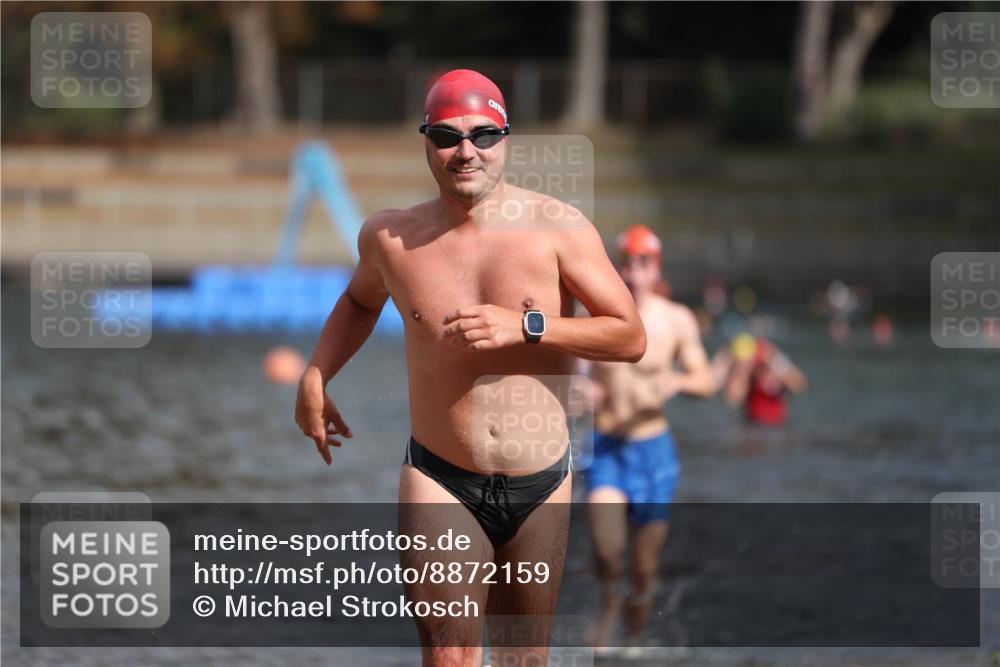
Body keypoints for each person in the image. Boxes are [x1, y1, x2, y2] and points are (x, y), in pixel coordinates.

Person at [294, 69, 646, 667]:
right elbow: (358, 301)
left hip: (541, 485)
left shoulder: (558, 229)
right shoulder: (391, 238)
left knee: (521, 660)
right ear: (425, 141)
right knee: (450, 655)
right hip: (440, 478)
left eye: (483, 135)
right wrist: (316, 373)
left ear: (506, 138)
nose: (466, 152)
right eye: (447, 137)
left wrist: (528, 326)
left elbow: (629, 335)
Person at [579, 224, 715, 650]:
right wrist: (580, 391)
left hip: (654, 453)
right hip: (606, 449)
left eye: (643, 264)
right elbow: (570, 376)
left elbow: (706, 379)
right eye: (627, 263)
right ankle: (609, 604)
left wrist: (678, 382)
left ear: (656, 268)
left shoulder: (676, 320)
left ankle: (635, 633)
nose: (634, 273)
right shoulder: (595, 316)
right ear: (617, 268)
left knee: (644, 564)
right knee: (607, 549)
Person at [713, 332, 808, 426]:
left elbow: (800, 385)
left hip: (777, 425)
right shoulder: (747, 374)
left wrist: (775, 362)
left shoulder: (774, 367)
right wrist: (741, 372)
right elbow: (732, 400)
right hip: (752, 425)